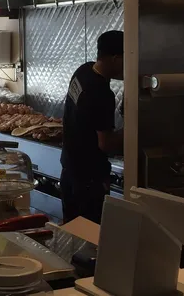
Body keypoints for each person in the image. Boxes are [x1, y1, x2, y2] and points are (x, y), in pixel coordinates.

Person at [60, 30, 124, 224]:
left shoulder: (84, 71)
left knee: (72, 233)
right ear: (115, 59)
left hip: (69, 170)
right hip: (89, 180)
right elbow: (105, 143)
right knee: (91, 239)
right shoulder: (102, 93)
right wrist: (136, 129)